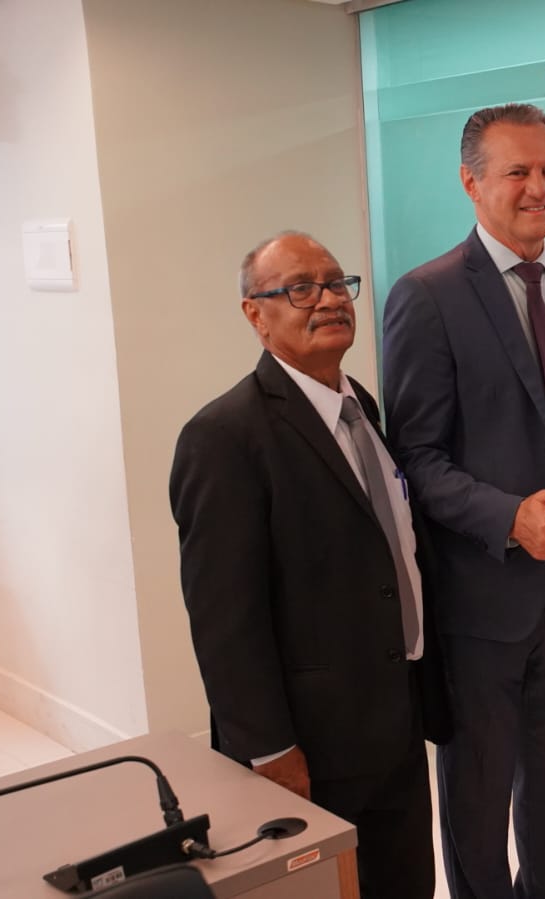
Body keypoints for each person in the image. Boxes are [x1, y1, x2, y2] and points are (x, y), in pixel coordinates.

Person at [381, 103, 545, 899]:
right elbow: (414, 458)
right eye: (517, 171)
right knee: (479, 797)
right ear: (471, 182)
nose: (538, 187)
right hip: (480, 593)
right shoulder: (427, 295)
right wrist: (508, 518)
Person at [170, 231, 435, 898]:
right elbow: (224, 619)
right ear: (254, 314)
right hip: (310, 744)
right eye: (299, 288)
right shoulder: (224, 437)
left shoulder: (360, 406)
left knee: (403, 883)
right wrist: (268, 748)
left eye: (337, 283)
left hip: (394, 718)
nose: (328, 299)